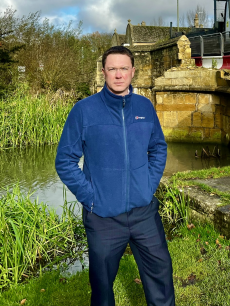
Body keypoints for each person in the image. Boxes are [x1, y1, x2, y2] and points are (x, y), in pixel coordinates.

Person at [55, 45, 175, 306]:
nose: (118, 75)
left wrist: (148, 184)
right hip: (103, 217)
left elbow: (158, 148)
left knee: (161, 277)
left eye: (123, 68)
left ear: (133, 71)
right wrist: (91, 197)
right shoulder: (84, 110)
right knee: (102, 288)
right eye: (112, 69)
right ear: (103, 72)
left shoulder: (144, 106)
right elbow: (65, 161)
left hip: (144, 212)